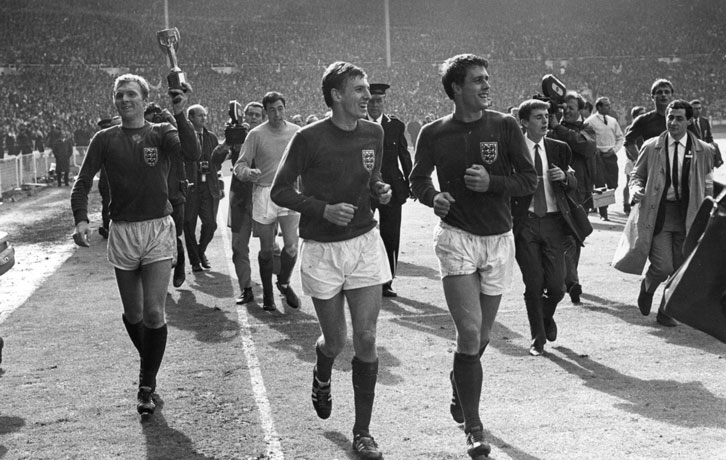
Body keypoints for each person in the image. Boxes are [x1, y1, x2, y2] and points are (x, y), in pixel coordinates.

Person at [409, 54, 537, 459]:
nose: (486, 85)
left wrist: (491, 182)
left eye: (487, 79)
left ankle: (458, 384)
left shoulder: (505, 125)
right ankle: (475, 428)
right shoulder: (433, 132)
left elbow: (528, 179)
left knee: (480, 337)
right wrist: (434, 198)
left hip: (498, 239)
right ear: (456, 88)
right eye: (478, 80)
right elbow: (417, 179)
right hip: (457, 238)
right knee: (468, 332)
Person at [270, 61, 392, 460]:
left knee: (368, 337)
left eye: (366, 90)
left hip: (363, 242)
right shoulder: (308, 138)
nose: (366, 96)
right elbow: (280, 191)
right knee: (336, 341)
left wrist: (380, 190)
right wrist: (322, 209)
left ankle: (363, 433)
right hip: (322, 248)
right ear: (336, 95)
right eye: (358, 89)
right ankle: (322, 374)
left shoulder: (374, 131)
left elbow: (369, 180)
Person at [70, 74, 201, 415]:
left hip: (157, 228)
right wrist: (81, 218)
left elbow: (191, 153)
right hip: (123, 231)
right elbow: (81, 183)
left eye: (131, 94)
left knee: (155, 312)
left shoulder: (161, 132)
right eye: (119, 94)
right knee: (134, 314)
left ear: (144, 99)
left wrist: (180, 113)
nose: (125, 99)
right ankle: (150, 367)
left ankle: (145, 385)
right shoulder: (104, 139)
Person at [626, 100, 714, 327]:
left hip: (689, 215)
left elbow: (708, 185)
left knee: (680, 268)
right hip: (660, 214)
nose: (673, 122)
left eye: (679, 118)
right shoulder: (651, 146)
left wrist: (710, 215)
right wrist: (635, 189)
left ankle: (666, 310)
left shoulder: (704, 150)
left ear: (689, 121)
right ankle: (647, 287)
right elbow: (637, 175)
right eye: (670, 117)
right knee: (662, 266)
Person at [513, 99, 578, 356]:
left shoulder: (559, 148)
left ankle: (546, 317)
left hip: (553, 222)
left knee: (557, 286)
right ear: (524, 122)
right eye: (538, 117)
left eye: (546, 116)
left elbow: (575, 181)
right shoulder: (513, 150)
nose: (544, 121)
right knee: (534, 283)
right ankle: (537, 338)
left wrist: (565, 177)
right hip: (525, 223)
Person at [235, 92, 300, 311]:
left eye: (280, 108)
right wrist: (247, 173)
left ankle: (283, 282)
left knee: (291, 247)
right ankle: (269, 296)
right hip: (263, 193)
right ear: (266, 112)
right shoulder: (256, 134)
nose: (276, 113)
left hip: (288, 192)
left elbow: (309, 162)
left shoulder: (296, 132)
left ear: (285, 108)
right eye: (271, 110)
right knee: (266, 250)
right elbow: (239, 165)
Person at [547, 91, 596, 304]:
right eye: (563, 107)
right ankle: (572, 281)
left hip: (578, 192)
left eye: (571, 108)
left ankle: (569, 278)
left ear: (581, 109)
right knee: (564, 237)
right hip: (554, 190)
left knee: (576, 236)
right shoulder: (550, 128)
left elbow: (585, 147)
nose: (566, 111)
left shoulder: (587, 128)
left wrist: (558, 127)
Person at [366, 82, 412, 297]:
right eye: (371, 100)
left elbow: (404, 155)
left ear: (384, 101)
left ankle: (387, 281)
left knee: (391, 235)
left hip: (392, 188)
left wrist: (411, 183)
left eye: (379, 100)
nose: (375, 105)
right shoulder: (356, 123)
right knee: (362, 233)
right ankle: (365, 277)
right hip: (364, 189)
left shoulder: (395, 125)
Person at [219, 101, 265, 305]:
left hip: (264, 198)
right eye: (250, 114)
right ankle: (246, 288)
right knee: (238, 247)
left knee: (271, 248)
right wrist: (229, 143)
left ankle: (281, 282)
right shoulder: (237, 136)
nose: (254, 118)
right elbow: (216, 161)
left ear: (263, 118)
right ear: (244, 116)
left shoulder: (269, 135)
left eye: (257, 115)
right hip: (240, 200)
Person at [145, 103, 189, 288]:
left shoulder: (172, 138)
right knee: (152, 239)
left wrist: (171, 118)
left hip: (174, 194)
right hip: (150, 197)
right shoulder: (143, 140)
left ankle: (179, 265)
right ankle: (157, 279)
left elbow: (188, 147)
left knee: (174, 235)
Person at [184, 104, 226, 272]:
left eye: (205, 115)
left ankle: (200, 252)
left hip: (208, 186)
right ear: (191, 118)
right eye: (200, 115)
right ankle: (195, 261)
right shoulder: (183, 137)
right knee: (189, 224)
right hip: (191, 187)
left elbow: (218, 162)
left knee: (210, 224)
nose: (204, 118)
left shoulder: (211, 137)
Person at [585, 96, 624, 220]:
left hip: (611, 156)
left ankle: (598, 203)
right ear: (599, 107)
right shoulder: (590, 121)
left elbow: (620, 137)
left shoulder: (612, 121)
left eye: (609, 105)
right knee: (600, 184)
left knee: (613, 183)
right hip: (597, 157)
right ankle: (603, 213)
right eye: (606, 105)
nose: (609, 107)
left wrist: (613, 150)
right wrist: (594, 150)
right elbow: (585, 137)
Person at [623, 79, 674, 163]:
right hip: (654, 165)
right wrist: (641, 160)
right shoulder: (643, 120)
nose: (663, 95)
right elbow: (628, 141)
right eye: (659, 92)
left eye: (667, 92)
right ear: (652, 97)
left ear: (672, 96)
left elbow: (697, 141)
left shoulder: (682, 118)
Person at [96, 116, 122, 239]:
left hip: (107, 179)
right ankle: (109, 227)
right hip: (109, 179)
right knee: (109, 203)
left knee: (107, 203)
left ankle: (108, 227)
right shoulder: (113, 139)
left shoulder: (103, 140)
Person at [622, 106, 646, 215]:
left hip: (644, 159)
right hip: (633, 160)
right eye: (641, 114)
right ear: (635, 116)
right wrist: (635, 159)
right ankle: (626, 204)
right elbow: (628, 145)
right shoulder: (630, 128)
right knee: (629, 182)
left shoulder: (647, 127)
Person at [688, 99, 723, 168]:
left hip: (704, 147)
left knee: (714, 145)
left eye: (699, 108)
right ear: (691, 110)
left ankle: (717, 162)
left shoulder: (704, 121)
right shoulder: (687, 122)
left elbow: (709, 137)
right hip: (693, 147)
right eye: (695, 109)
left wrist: (712, 145)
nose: (698, 111)